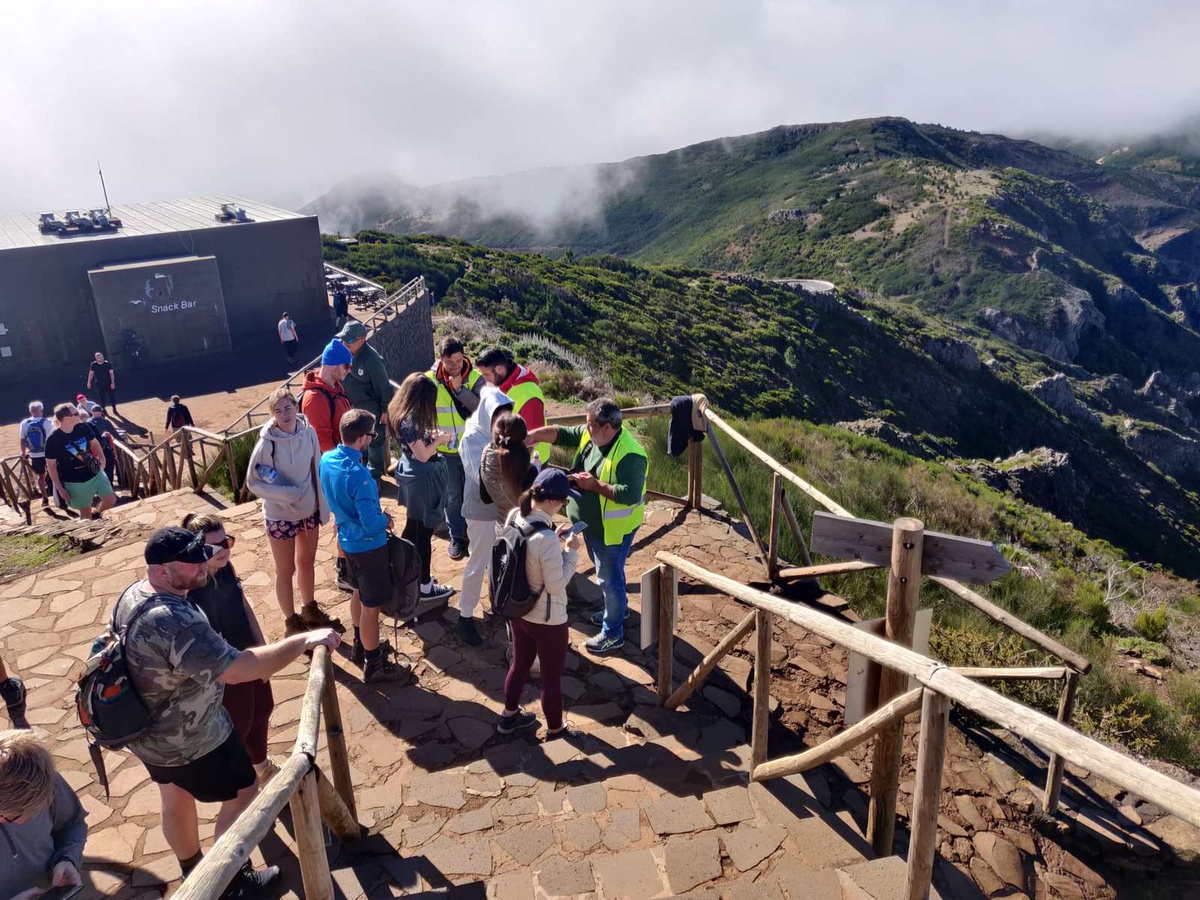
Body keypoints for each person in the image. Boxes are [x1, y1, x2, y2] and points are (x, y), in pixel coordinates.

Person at [113, 527, 340, 893]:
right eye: (189, 561)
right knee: (246, 791)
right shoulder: (173, 620)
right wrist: (304, 640)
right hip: (194, 736)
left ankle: (192, 871)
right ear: (159, 571)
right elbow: (240, 669)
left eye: (199, 552)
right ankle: (229, 880)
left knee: (174, 796)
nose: (201, 563)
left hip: (148, 732)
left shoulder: (134, 595)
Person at [525, 398, 646, 655]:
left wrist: (596, 486)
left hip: (611, 530)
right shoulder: (593, 435)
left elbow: (631, 494)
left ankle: (613, 633)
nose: (585, 428)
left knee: (608, 579)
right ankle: (619, 610)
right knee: (609, 574)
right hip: (590, 525)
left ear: (607, 428)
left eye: (590, 424)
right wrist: (532, 436)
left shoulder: (631, 455)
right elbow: (562, 433)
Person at [182, 514, 277, 785]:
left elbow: (243, 605)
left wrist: (262, 647)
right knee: (241, 724)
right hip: (228, 667)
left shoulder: (226, 567)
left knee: (263, 708)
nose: (224, 549)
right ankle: (243, 786)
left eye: (227, 541)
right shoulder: (192, 589)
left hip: (248, 654)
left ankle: (262, 766)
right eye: (214, 547)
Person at [319, 410, 412, 682]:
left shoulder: (327, 460)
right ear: (361, 438)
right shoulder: (359, 475)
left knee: (358, 593)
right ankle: (374, 664)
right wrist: (385, 519)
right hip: (369, 547)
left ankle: (362, 644)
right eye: (371, 434)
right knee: (371, 608)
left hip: (347, 543)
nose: (372, 438)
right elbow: (371, 523)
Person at [246, 389, 342, 636]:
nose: (284, 414)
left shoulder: (308, 433)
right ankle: (291, 621)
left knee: (307, 562)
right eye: (277, 411)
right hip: (280, 516)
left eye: (287, 408)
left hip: (308, 511)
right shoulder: (267, 443)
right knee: (285, 570)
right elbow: (254, 481)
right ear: (272, 415)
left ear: (296, 407)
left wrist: (323, 508)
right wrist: (287, 494)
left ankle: (309, 608)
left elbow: (316, 468)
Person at [497, 469, 583, 738]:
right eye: (564, 502)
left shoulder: (515, 516)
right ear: (554, 502)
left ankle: (509, 716)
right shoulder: (545, 539)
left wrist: (553, 540)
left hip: (518, 610)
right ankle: (556, 730)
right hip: (547, 619)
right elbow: (556, 585)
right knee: (551, 678)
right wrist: (570, 553)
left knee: (519, 664)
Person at [387, 374, 456, 605]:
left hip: (410, 476)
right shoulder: (411, 419)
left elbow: (413, 445)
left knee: (412, 526)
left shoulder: (398, 411)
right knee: (424, 533)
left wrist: (429, 436)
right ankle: (425, 586)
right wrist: (440, 440)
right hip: (423, 480)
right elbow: (423, 455)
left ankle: (407, 573)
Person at [457, 388, 518, 646]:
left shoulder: (504, 435)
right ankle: (465, 617)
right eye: (497, 418)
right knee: (478, 561)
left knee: (499, 558)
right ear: (487, 415)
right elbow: (481, 478)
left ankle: (497, 602)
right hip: (481, 509)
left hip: (502, 508)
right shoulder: (472, 437)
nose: (501, 424)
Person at [0, 730, 88, 900]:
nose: (24, 821)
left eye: (35, 812)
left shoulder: (45, 781)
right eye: (12, 817)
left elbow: (73, 823)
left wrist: (67, 858)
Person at [302, 340, 355, 591]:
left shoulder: (335, 387)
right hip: (336, 470)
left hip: (346, 464)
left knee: (348, 517)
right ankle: (345, 570)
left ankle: (348, 563)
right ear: (333, 365)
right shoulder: (315, 398)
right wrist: (343, 468)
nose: (349, 370)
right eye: (346, 365)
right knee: (344, 518)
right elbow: (322, 440)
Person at [426, 338, 483, 560]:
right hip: (445, 450)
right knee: (452, 496)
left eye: (459, 360)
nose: (455, 366)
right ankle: (457, 537)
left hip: (471, 449)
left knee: (474, 493)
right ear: (441, 360)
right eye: (450, 362)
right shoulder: (430, 380)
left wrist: (460, 390)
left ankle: (475, 535)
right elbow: (423, 411)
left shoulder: (475, 378)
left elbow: (481, 408)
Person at [337, 321, 395, 483]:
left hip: (371, 408)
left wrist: (385, 410)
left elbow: (383, 386)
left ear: (361, 341)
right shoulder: (347, 353)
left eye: (348, 341)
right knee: (357, 439)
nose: (344, 344)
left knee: (375, 440)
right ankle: (360, 471)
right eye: (343, 340)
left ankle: (374, 477)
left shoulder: (373, 360)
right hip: (353, 406)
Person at [476, 347, 550, 462]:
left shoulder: (528, 393)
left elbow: (533, 439)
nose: (485, 381)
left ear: (499, 369)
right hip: (513, 463)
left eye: (486, 375)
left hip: (530, 464)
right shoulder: (505, 385)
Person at [45, 403, 116, 520]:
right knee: (85, 510)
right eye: (76, 413)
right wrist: (60, 489)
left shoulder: (82, 427)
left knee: (110, 499)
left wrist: (102, 459)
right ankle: (89, 534)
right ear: (66, 419)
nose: (80, 414)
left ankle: (97, 514)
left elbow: (94, 443)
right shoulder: (53, 439)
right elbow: (51, 466)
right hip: (75, 481)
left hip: (95, 472)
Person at [19, 402, 54, 506]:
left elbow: (22, 439)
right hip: (49, 453)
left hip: (35, 455)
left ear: (30, 411)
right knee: (55, 474)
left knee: (41, 476)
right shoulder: (47, 422)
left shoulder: (24, 423)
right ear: (42, 410)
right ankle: (59, 496)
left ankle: (44, 498)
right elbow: (53, 438)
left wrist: (23, 452)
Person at [89, 407, 120, 489]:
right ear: (101, 412)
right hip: (105, 448)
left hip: (94, 451)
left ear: (92, 412)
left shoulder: (88, 423)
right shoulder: (105, 422)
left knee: (98, 469)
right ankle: (109, 485)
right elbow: (114, 433)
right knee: (109, 467)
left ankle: (102, 486)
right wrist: (122, 439)